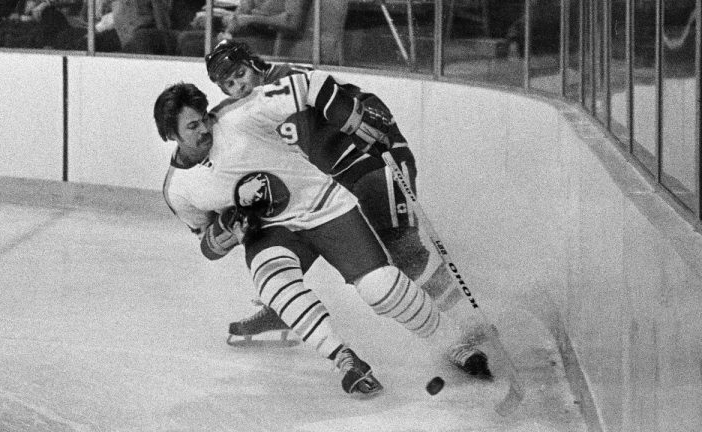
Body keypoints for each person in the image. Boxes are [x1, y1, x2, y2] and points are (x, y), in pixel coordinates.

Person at [153, 81, 484, 396]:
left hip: (322, 204)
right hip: (269, 230)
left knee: (381, 288)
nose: (204, 130)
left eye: (203, 120)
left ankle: (452, 342)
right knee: (276, 285)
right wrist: (227, 232)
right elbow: (207, 244)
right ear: (172, 135)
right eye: (192, 128)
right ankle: (344, 360)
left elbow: (306, 85)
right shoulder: (178, 190)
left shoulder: (238, 115)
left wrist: (354, 118)